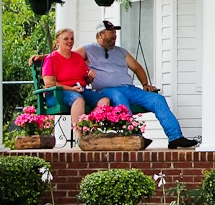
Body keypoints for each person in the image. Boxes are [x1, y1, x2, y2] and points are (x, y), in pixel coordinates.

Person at [78, 20, 200, 149]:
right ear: (101, 34)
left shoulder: (121, 52)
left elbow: (137, 67)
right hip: (106, 91)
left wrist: (145, 83)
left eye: (115, 32)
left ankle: (175, 137)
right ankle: (135, 136)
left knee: (157, 99)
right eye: (111, 32)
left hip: (129, 89)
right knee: (119, 97)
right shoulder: (87, 49)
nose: (115, 35)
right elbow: (67, 58)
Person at [40, 27, 109, 127]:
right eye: (66, 39)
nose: (70, 41)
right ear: (57, 42)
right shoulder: (51, 58)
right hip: (57, 93)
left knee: (104, 101)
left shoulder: (77, 57)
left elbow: (86, 80)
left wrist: (90, 77)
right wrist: (71, 89)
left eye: (72, 39)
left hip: (80, 89)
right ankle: (79, 135)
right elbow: (49, 83)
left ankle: (88, 126)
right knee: (78, 100)